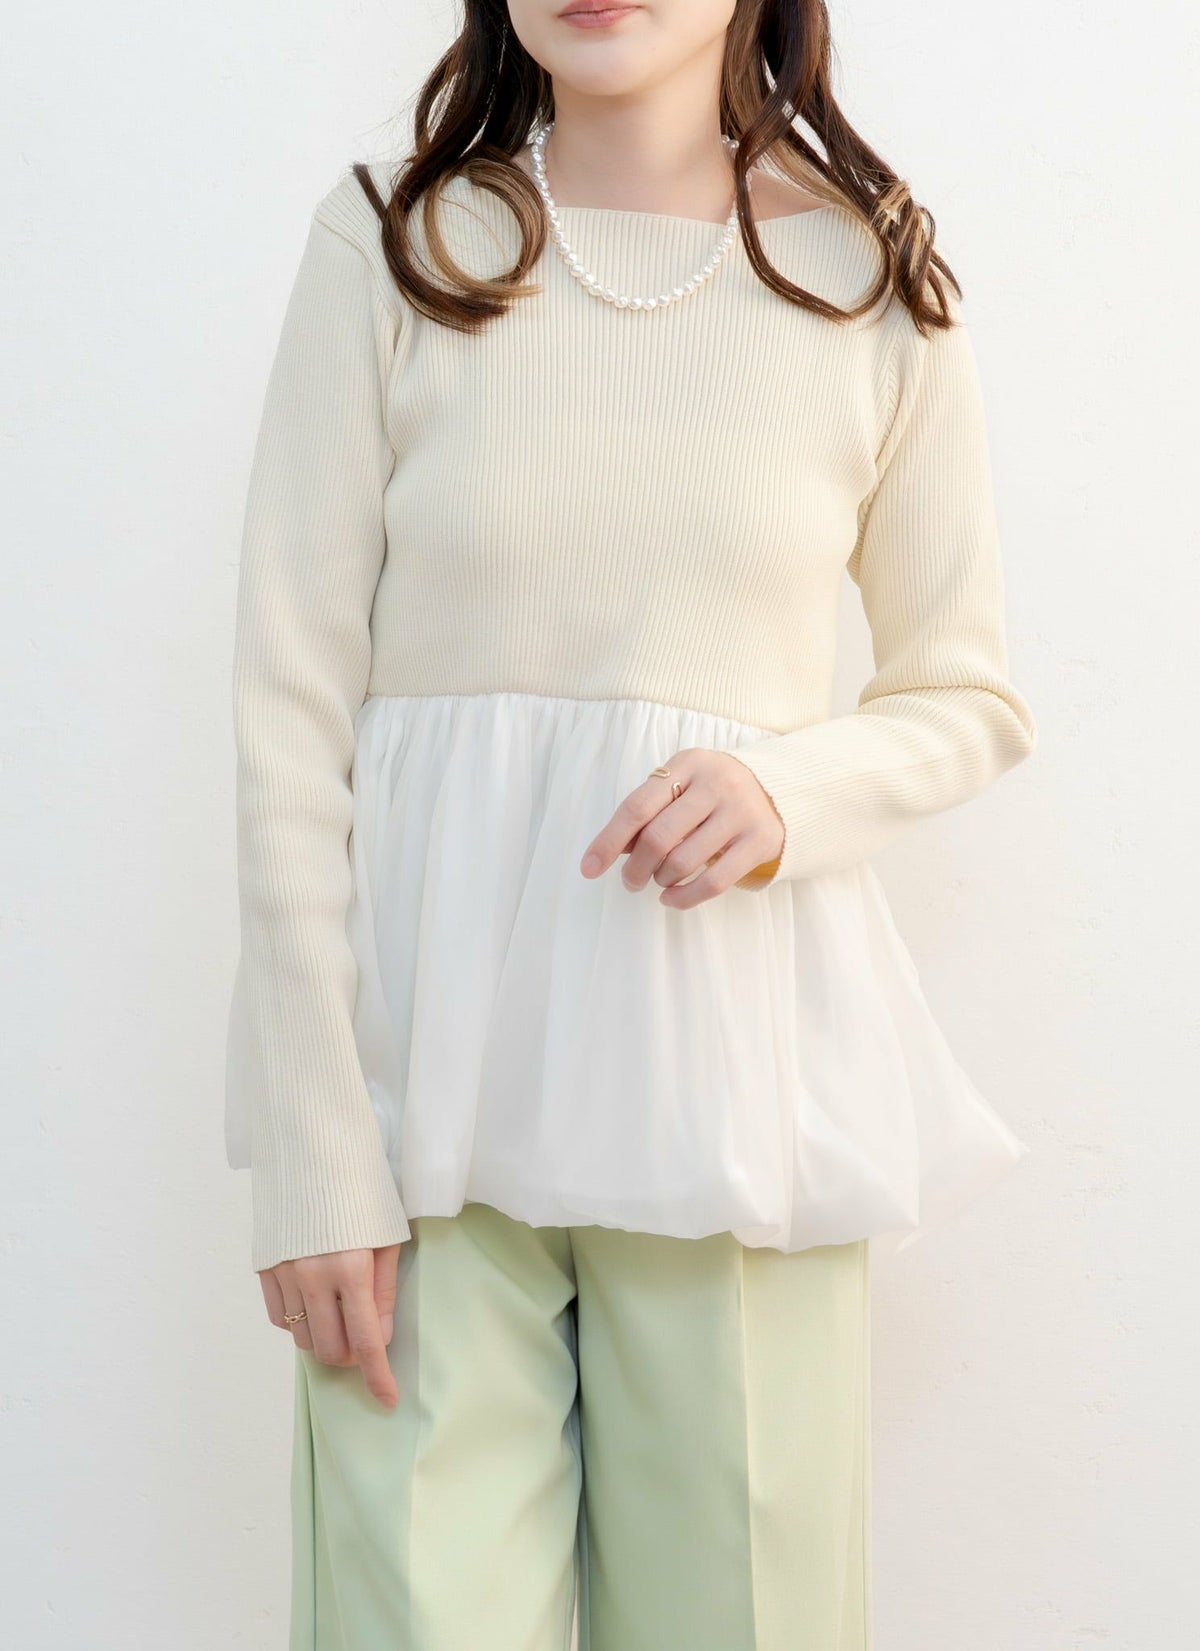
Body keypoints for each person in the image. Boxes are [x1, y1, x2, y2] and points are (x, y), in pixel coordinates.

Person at [222, 2, 1039, 1646]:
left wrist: (785, 792)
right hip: (421, 1100)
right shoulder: (392, 245)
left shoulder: (865, 278)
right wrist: (311, 1149)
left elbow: (967, 696)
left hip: (731, 1091)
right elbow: (286, 716)